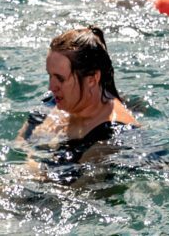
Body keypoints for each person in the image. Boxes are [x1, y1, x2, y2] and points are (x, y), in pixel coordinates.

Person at [19, 27, 138, 169]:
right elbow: (20, 144)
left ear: (92, 79)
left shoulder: (112, 136)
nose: (51, 87)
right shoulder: (52, 102)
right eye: (50, 76)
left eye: (60, 79)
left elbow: (74, 189)